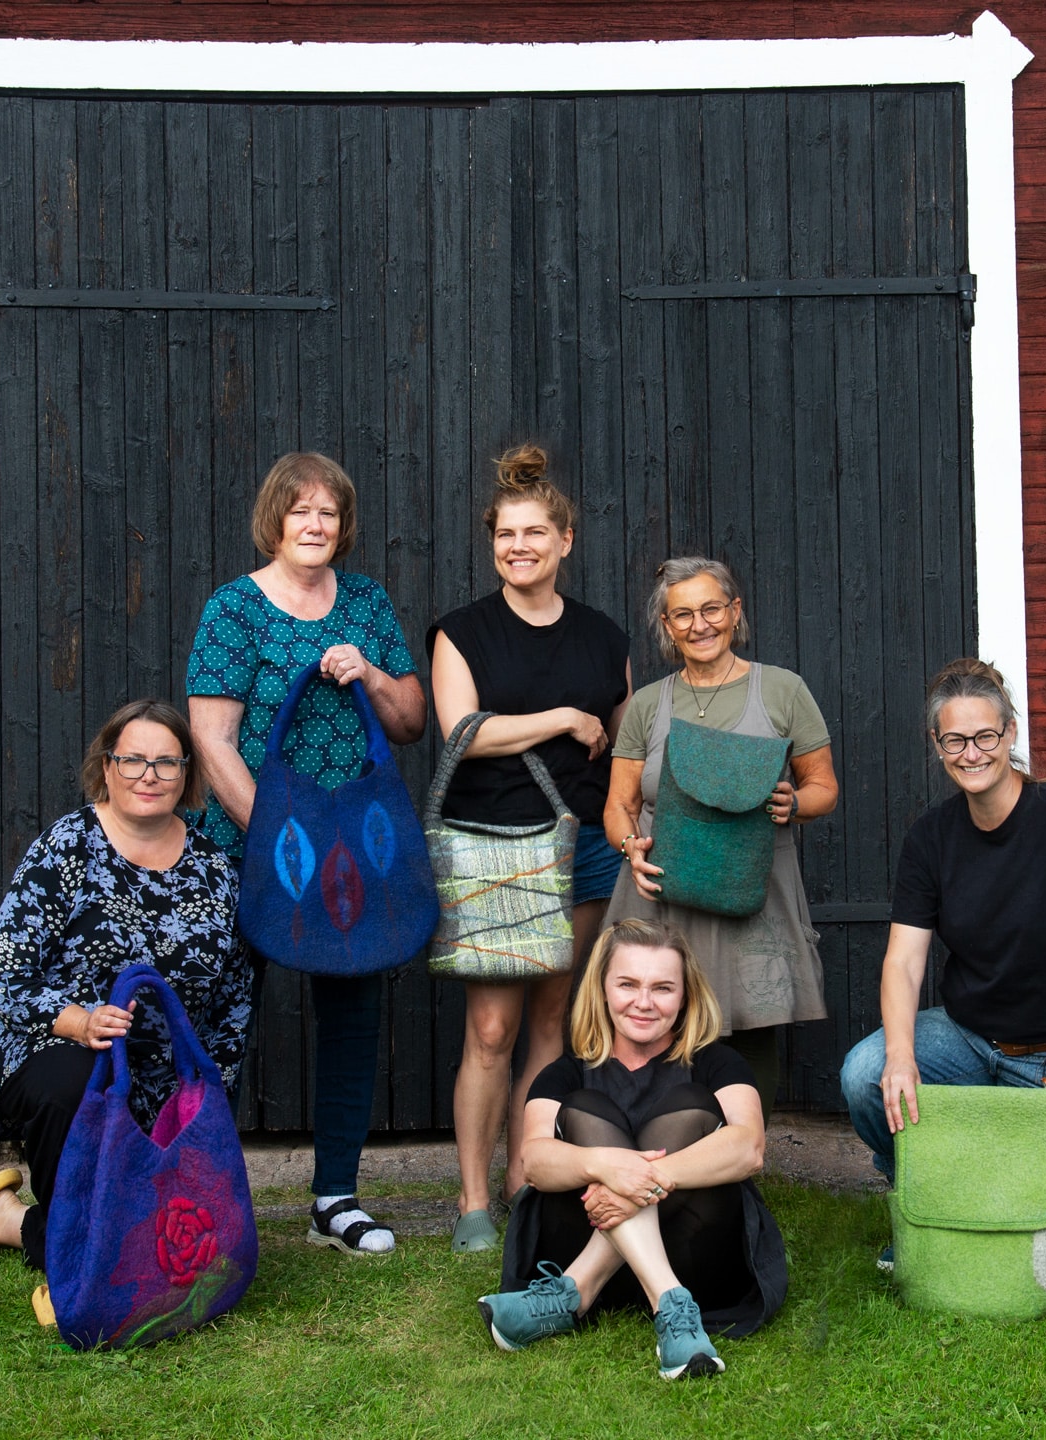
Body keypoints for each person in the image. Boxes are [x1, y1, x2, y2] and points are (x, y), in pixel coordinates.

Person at [840, 659, 1046, 1271]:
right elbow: (904, 962)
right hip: (966, 1038)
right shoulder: (930, 839)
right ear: (937, 746)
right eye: (955, 740)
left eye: (985, 736)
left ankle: (1024, 1189)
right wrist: (903, 1059)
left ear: (1011, 734)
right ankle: (927, 1190)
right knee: (865, 1073)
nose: (972, 753)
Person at [0, 700, 251, 1323]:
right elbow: (7, 977)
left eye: (166, 761)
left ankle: (12, 1222)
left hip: (160, 1071)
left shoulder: (217, 871)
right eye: (132, 759)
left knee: (164, 1241)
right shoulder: (66, 850)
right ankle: (72, 1274)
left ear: (187, 777)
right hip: (46, 1048)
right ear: (106, 769)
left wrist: (208, 1085)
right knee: (76, 1082)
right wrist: (79, 1021)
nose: (148, 774)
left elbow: (233, 996)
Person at [186, 451, 426, 1256]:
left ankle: (335, 1199)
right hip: (250, 845)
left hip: (352, 855)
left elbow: (410, 719)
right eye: (300, 512)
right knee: (218, 1014)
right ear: (275, 520)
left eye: (328, 512)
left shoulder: (365, 604)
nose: (315, 524)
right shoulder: (233, 610)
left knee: (352, 1017)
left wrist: (374, 675)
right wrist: (274, 841)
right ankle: (195, 1192)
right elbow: (212, 740)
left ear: (343, 524)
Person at [428, 444, 632, 1252]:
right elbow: (461, 735)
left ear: (566, 541)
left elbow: (623, 749)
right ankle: (473, 1200)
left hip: (583, 848)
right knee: (490, 1029)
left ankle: (525, 1180)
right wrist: (560, 719)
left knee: (554, 1020)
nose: (520, 546)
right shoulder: (464, 632)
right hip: (495, 847)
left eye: (535, 533)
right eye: (506, 535)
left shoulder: (603, 635)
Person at [479, 918, 785, 1379]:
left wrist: (642, 1179)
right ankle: (669, 1303)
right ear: (603, 989)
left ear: (685, 996)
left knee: (691, 1108)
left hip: (697, 1257)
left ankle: (571, 1294)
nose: (643, 1002)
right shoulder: (565, 1073)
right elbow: (535, 1162)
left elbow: (748, 1147)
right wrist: (601, 1162)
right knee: (585, 1109)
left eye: (663, 988)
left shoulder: (718, 1063)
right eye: (627, 984)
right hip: (580, 1237)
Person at [601, 557, 838, 1115]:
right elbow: (619, 803)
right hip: (662, 886)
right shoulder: (648, 704)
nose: (699, 624)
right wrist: (628, 844)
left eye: (711, 609)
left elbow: (823, 786)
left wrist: (795, 802)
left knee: (752, 1024)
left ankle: (738, 1157)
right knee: (654, 1019)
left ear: (735, 612)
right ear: (666, 623)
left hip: (750, 885)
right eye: (682, 614)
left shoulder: (783, 691)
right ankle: (660, 1146)